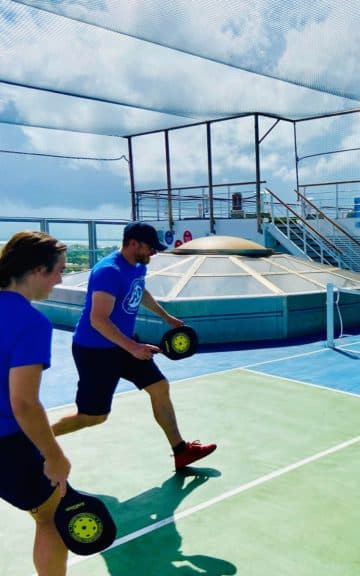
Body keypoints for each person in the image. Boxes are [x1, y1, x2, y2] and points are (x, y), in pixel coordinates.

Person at [52, 223, 216, 470]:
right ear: (133, 243)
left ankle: (180, 451)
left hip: (124, 344)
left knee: (159, 387)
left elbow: (139, 291)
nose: (154, 253)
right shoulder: (108, 271)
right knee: (92, 417)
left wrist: (166, 316)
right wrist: (132, 347)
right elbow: (98, 319)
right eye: (150, 247)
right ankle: (33, 438)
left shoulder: (137, 266)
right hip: (95, 350)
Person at [0, 231, 70, 575]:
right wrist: (54, 456)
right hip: (7, 442)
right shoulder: (31, 322)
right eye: (59, 270)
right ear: (38, 270)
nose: (60, 279)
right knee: (52, 517)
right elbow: (24, 403)